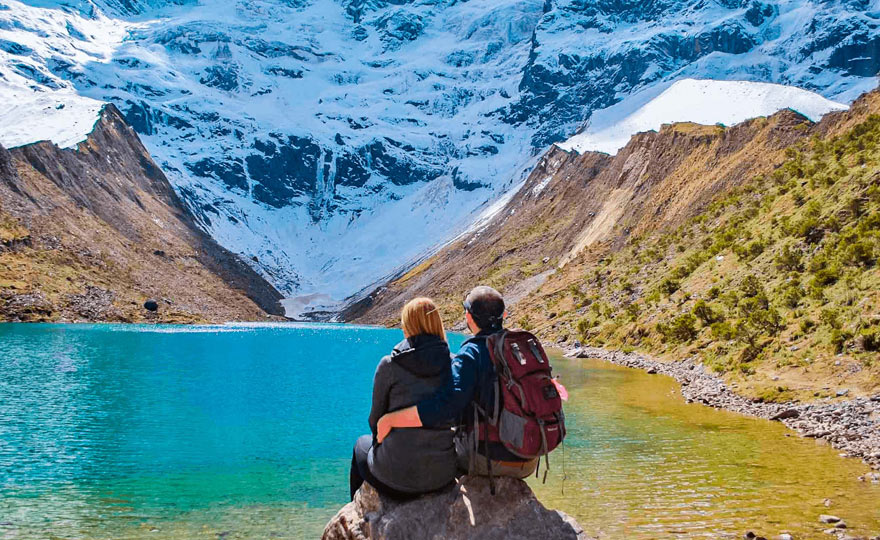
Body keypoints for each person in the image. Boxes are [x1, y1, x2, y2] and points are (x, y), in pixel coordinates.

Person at [376, 286, 538, 479]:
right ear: (504, 314)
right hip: (530, 457)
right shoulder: (519, 347)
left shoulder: (471, 353)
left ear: (468, 316)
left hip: (490, 459)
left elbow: (447, 406)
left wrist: (392, 419)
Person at [349, 297, 458, 500]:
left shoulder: (390, 364)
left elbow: (375, 420)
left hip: (395, 476)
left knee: (360, 446)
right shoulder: (455, 364)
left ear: (408, 326)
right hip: (441, 475)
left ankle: (360, 511)